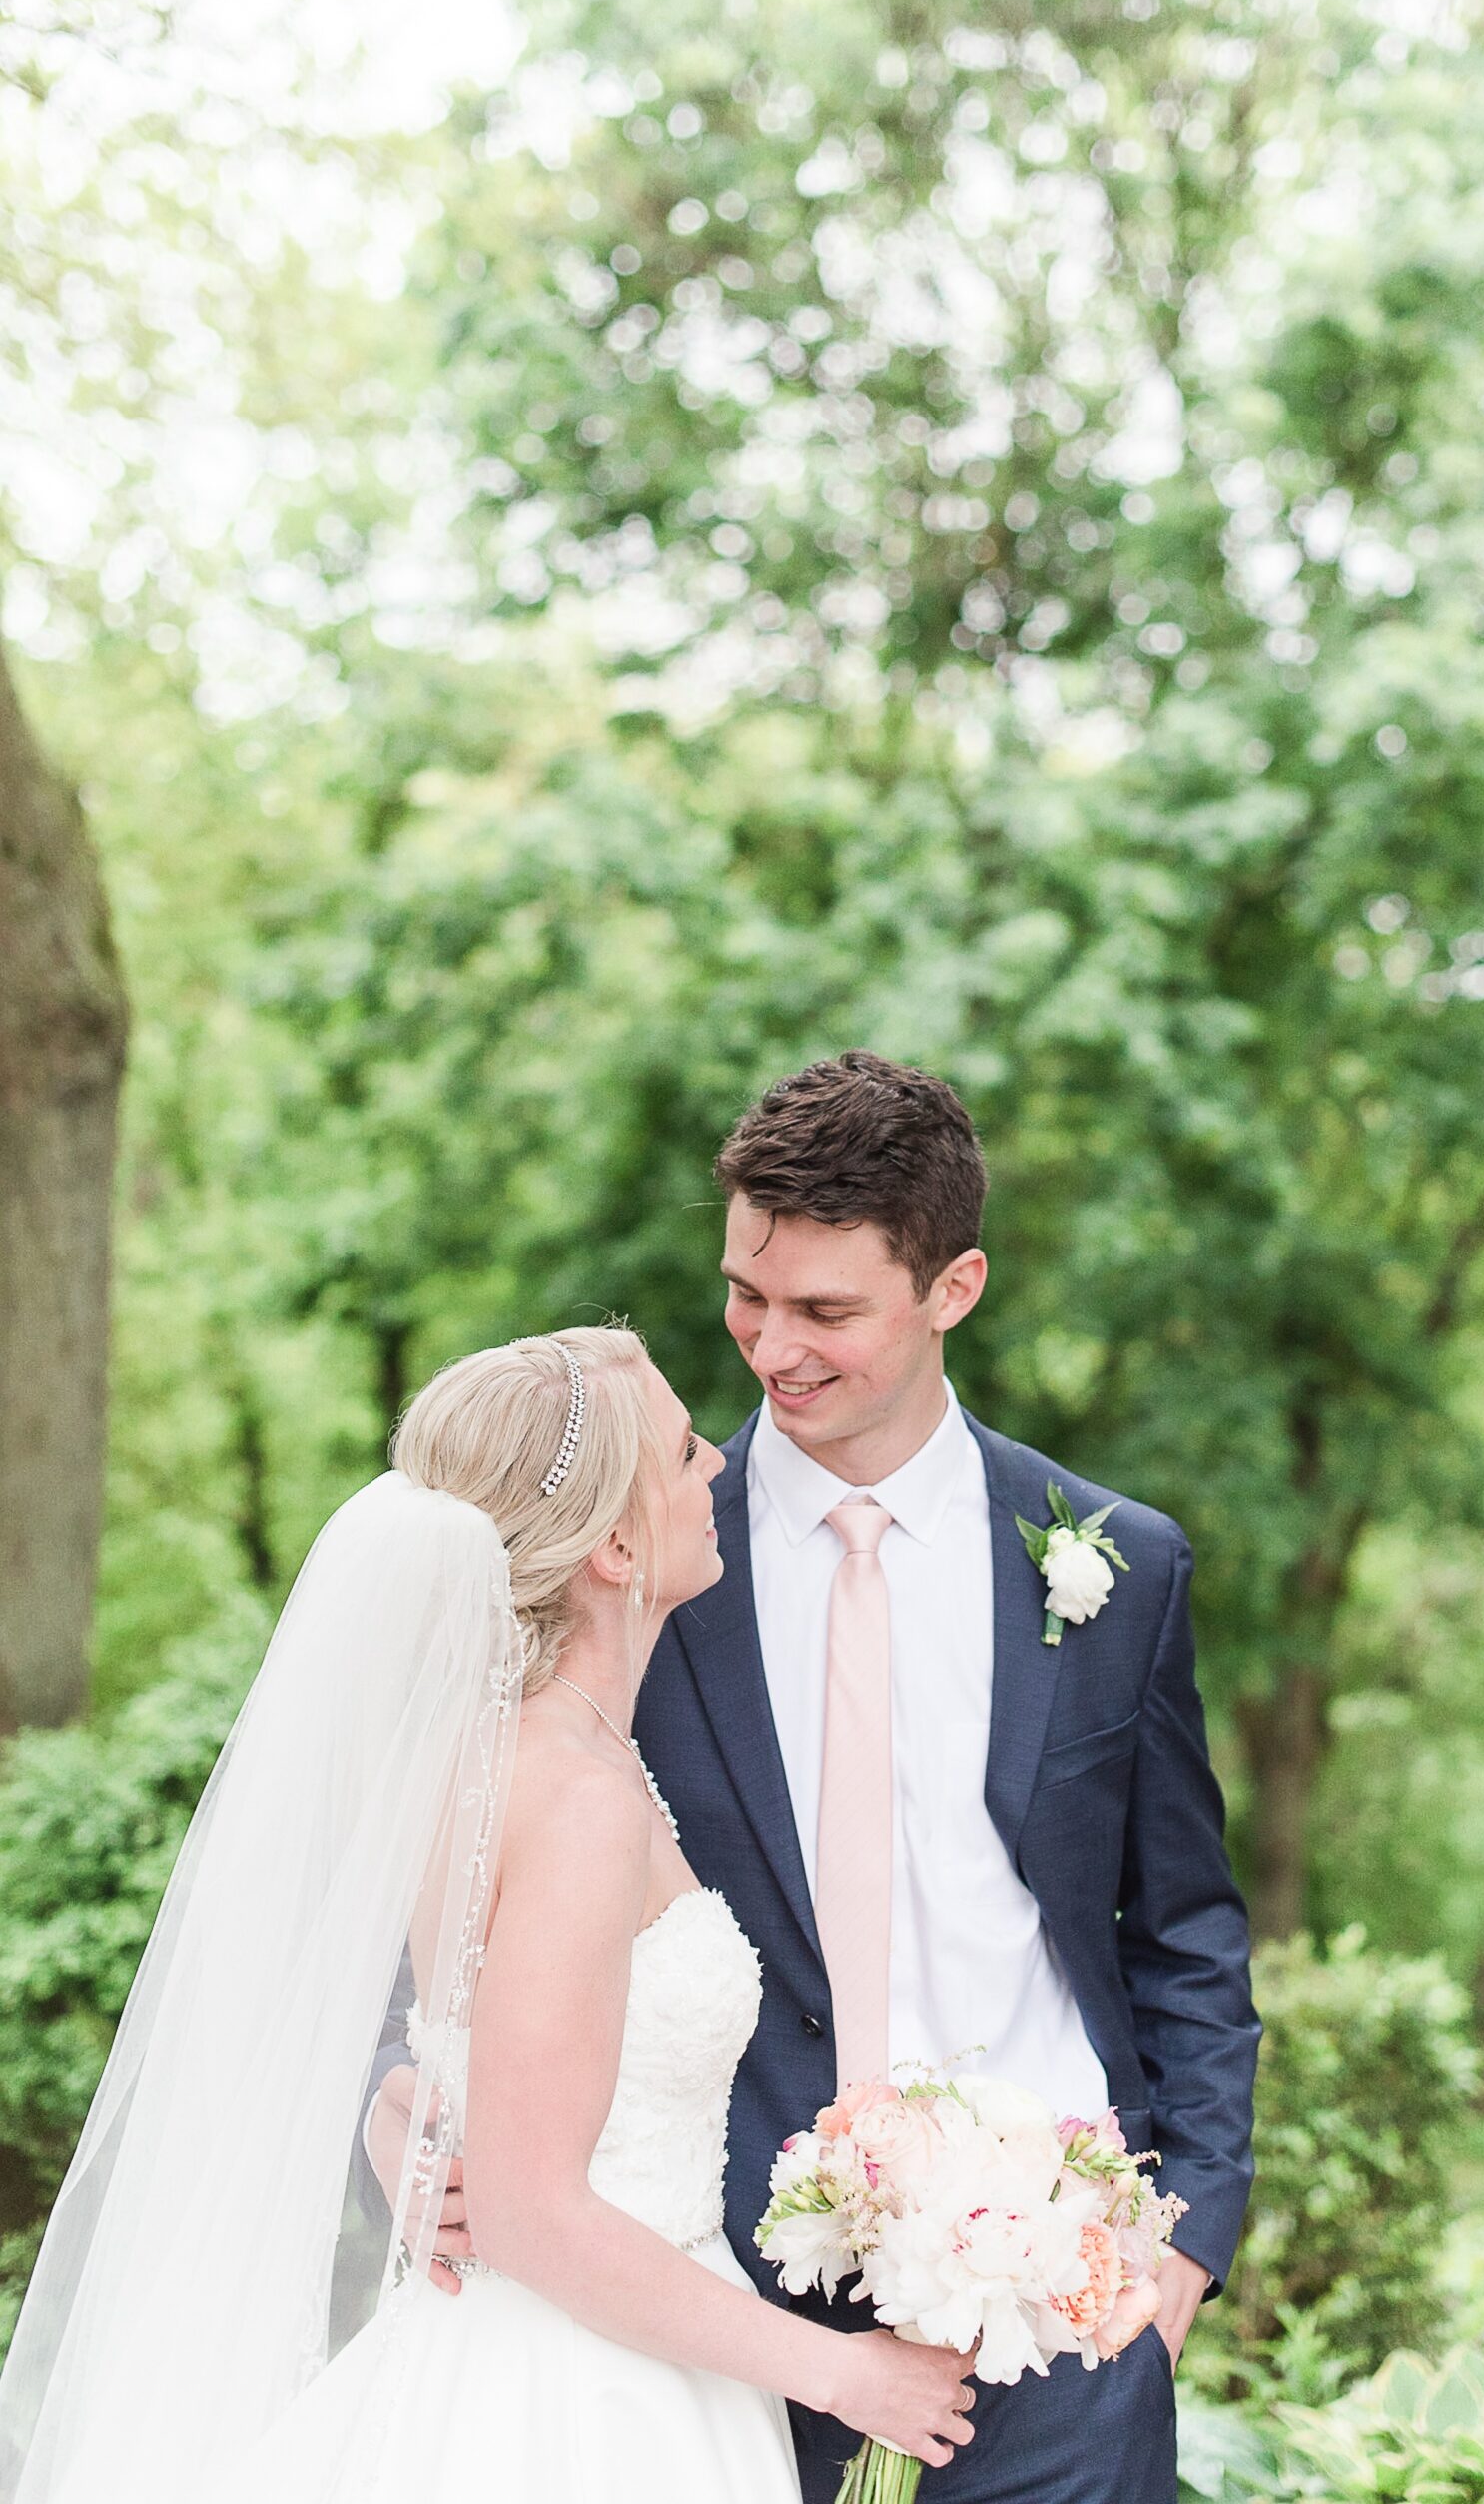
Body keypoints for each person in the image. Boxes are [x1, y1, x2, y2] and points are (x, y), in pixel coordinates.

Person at [0, 1325, 973, 2504]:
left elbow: (474, 2078)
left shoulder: (509, 1757)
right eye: (678, 1453)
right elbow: (530, 2214)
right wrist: (841, 2375)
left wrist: (409, 2111)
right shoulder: (576, 1797)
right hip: (587, 2402)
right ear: (614, 1544)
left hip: (590, 2352)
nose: (715, 1464)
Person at [635, 1053, 1261, 2504]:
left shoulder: (1118, 1563)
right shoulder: (648, 1561)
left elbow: (1183, 1929)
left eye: (826, 1311)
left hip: (1058, 2316)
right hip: (721, 2311)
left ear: (952, 1289)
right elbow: (504, 1858)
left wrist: (1187, 2242)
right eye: (747, 1293)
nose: (769, 1346)